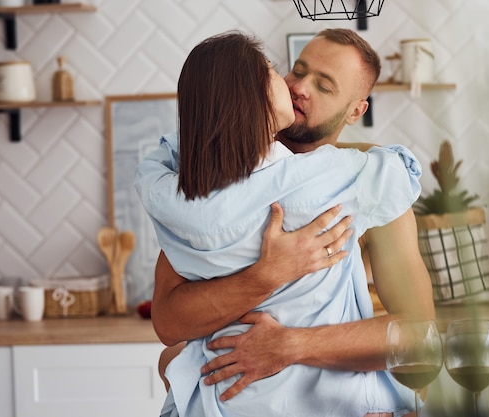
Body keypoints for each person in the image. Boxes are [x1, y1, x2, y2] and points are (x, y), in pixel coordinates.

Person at [146, 29, 436, 416]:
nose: (299, 87)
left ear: (354, 111)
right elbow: (168, 321)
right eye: (297, 70)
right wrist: (267, 275)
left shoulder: (365, 182)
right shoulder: (220, 169)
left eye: (324, 85)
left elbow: (419, 337)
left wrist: (289, 345)